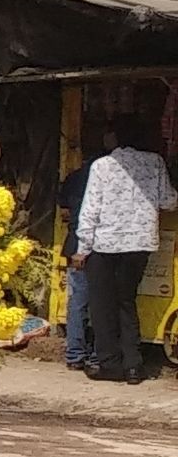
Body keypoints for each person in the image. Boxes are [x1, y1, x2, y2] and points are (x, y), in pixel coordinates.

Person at [68, 116, 172, 383]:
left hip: (105, 245)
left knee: (103, 306)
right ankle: (134, 366)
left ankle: (110, 364)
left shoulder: (103, 165)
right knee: (126, 300)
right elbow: (168, 200)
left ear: (116, 136)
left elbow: (90, 209)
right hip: (140, 244)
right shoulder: (155, 162)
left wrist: (82, 249)